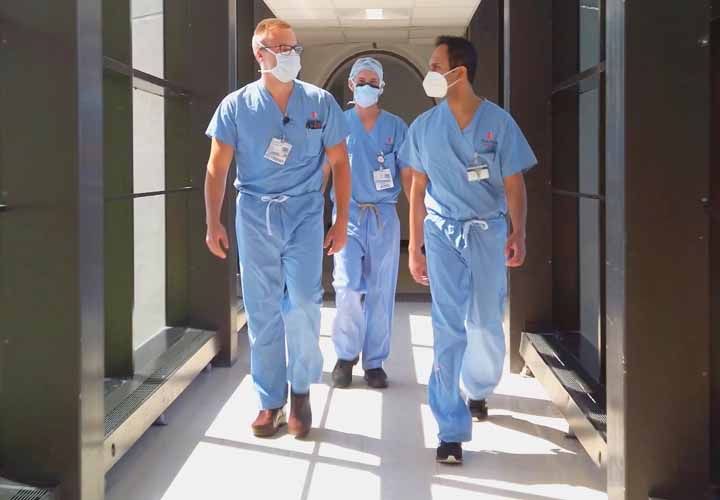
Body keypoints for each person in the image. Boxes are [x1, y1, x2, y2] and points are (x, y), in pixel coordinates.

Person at [204, 18, 351, 439]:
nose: (290, 55)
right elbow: (217, 167)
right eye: (280, 48)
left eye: (294, 47)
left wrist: (341, 220)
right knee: (262, 308)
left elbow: (340, 164)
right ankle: (270, 400)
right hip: (254, 214)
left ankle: (301, 388)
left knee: (304, 301)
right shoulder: (235, 106)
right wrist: (212, 220)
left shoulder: (320, 103)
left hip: (305, 213)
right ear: (259, 54)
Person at [399, 36, 537, 464]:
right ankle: (450, 428)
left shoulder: (498, 123)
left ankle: (478, 388)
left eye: (436, 65)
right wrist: (415, 246)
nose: (430, 73)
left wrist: (519, 232)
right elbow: (417, 188)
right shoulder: (424, 127)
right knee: (447, 327)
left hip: (488, 231)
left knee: (484, 322)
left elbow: (514, 183)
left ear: (459, 72)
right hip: (441, 231)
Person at [329, 57, 412, 389]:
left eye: (372, 82)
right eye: (360, 81)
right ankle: (345, 356)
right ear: (350, 84)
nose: (366, 87)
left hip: (383, 217)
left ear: (381, 87)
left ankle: (375, 362)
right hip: (347, 215)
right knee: (347, 284)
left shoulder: (396, 127)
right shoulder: (338, 124)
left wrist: (422, 221)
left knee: (381, 288)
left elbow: (408, 176)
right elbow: (326, 170)